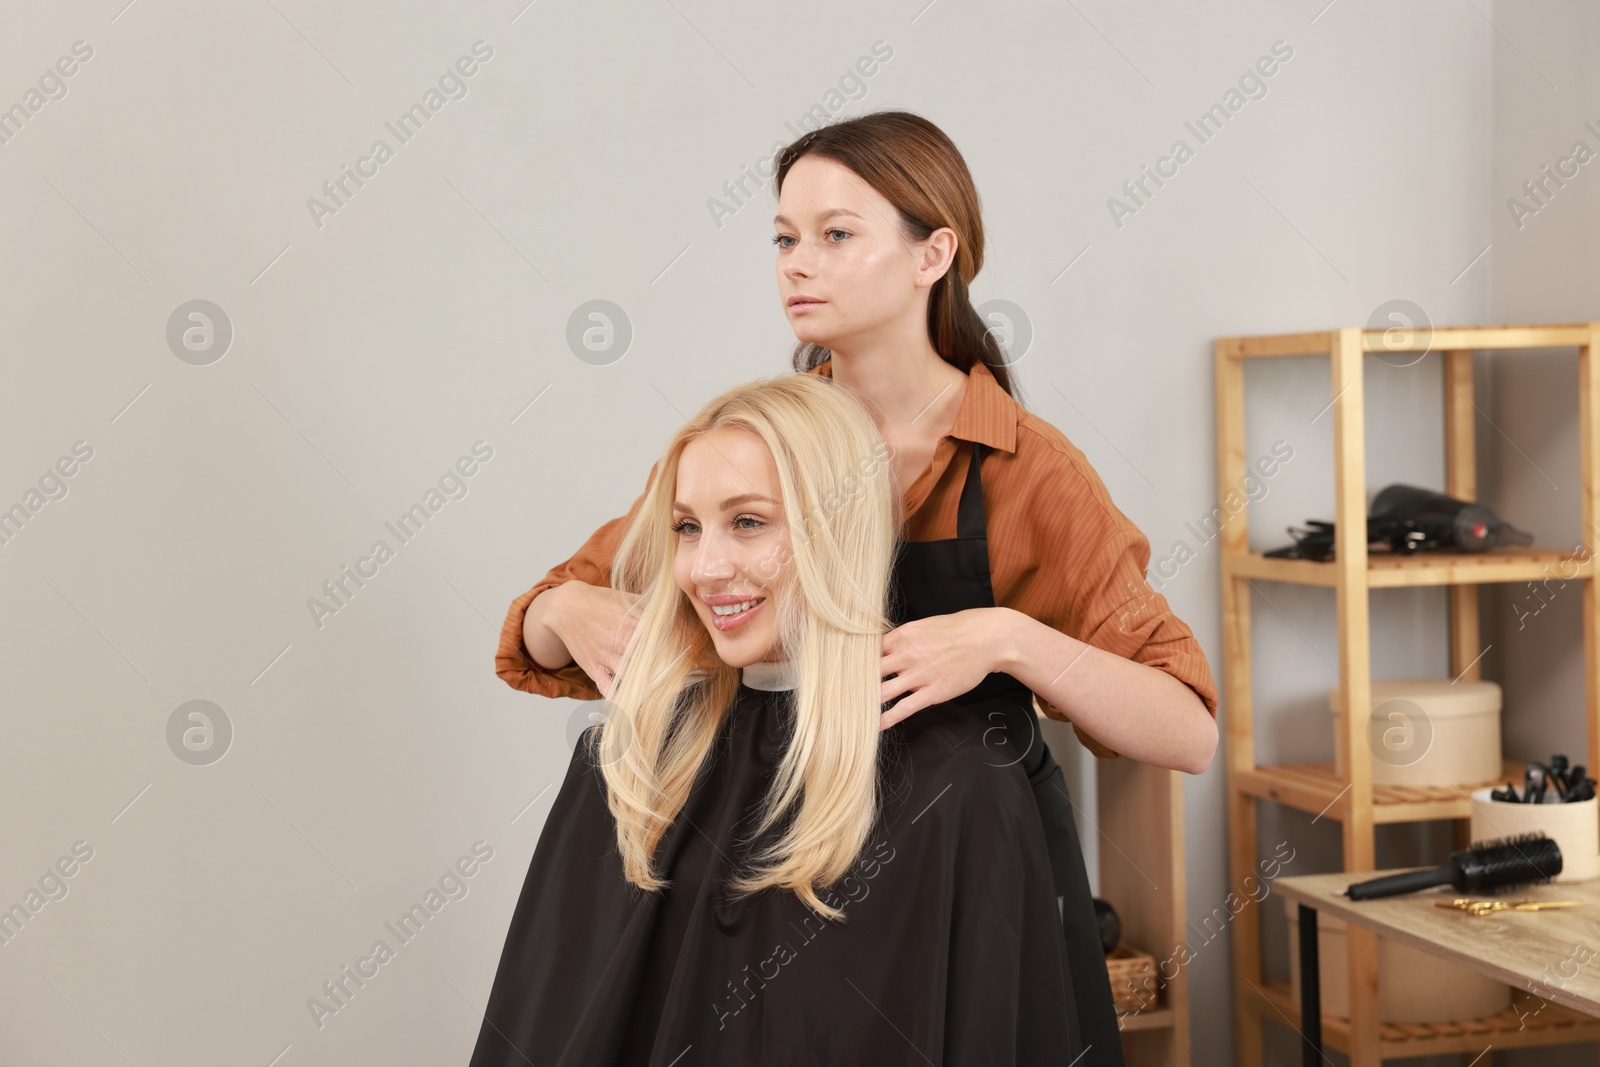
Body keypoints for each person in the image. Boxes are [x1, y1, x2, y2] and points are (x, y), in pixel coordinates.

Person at [498, 111, 1220, 1066]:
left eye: (836, 236)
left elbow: (1186, 729)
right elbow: (544, 632)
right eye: (785, 239)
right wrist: (564, 607)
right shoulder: (762, 439)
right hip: (774, 844)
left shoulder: (1024, 470)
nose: (798, 264)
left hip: (950, 862)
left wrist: (1008, 639)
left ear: (936, 253)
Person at [469, 374, 1082, 1064]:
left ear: (837, 530)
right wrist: (557, 606)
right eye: (687, 527)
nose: (704, 567)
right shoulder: (628, 761)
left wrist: (1013, 639)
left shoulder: (959, 784)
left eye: (749, 522)